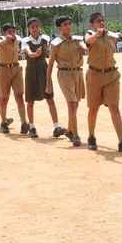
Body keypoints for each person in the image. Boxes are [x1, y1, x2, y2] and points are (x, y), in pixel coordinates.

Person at [84, 11, 122, 152]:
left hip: (111, 74)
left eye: (102, 20)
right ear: (92, 24)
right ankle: (91, 137)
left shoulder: (110, 36)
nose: (101, 23)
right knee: (93, 108)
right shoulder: (89, 34)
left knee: (114, 107)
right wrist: (97, 34)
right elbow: (88, 41)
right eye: (98, 21)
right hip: (95, 75)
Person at [21, 18, 65, 140]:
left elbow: (53, 52)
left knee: (50, 98)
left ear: (40, 27)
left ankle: (56, 127)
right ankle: (32, 127)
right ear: (28, 29)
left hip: (44, 70)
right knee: (30, 100)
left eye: (37, 26)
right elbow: (28, 52)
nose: (35, 29)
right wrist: (34, 54)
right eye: (32, 27)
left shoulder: (45, 39)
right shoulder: (25, 41)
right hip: (31, 71)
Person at [46, 15, 87, 147]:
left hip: (78, 72)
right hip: (64, 74)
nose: (68, 26)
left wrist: (84, 47)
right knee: (71, 103)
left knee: (76, 104)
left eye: (69, 23)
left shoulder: (77, 40)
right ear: (59, 28)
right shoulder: (56, 43)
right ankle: (75, 134)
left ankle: (69, 130)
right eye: (65, 24)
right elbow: (50, 64)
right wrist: (48, 83)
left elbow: (84, 48)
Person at [0, 23, 26, 134]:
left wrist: (12, 38)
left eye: (13, 31)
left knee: (19, 96)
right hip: (4, 70)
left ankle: (24, 123)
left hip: (16, 68)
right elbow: (0, 44)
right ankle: (4, 122)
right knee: (4, 98)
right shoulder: (0, 40)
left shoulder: (17, 40)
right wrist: (7, 38)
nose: (12, 33)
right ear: (4, 33)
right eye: (9, 31)